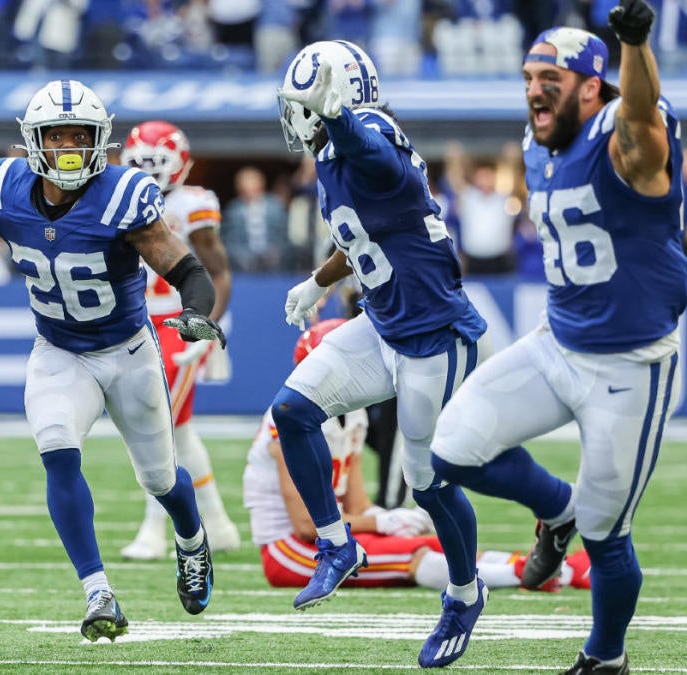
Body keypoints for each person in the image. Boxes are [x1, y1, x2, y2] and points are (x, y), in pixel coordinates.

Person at [0, 79, 225, 642]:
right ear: (34, 141)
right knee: (57, 450)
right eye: (57, 135)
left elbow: (187, 268)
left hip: (130, 351)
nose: (69, 145)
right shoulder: (2, 186)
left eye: (80, 135)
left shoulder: (122, 193)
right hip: (61, 351)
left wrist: (195, 311)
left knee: (161, 479)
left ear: (100, 140)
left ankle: (191, 538)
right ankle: (98, 593)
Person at [430, 4, 686, 673]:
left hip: (630, 362)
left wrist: (632, 43)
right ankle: (556, 508)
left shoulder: (624, 135)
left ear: (591, 87)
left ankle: (606, 657)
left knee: (609, 535)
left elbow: (644, 120)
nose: (534, 88)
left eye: (551, 77)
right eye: (528, 75)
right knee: (449, 451)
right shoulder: (538, 141)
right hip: (557, 341)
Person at [273, 40, 489, 668]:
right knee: (293, 411)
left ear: (334, 98)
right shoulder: (333, 153)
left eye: (304, 104)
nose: (294, 116)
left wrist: (338, 116)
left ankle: (463, 592)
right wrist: (318, 282)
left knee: (428, 484)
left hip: (434, 337)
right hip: (384, 323)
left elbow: (385, 169)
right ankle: (339, 545)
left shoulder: (367, 131)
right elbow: (365, 232)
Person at [247, 319, 592, 593]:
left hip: (331, 538)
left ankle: (556, 566)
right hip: (290, 549)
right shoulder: (288, 425)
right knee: (411, 555)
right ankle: (534, 577)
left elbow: (357, 503)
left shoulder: (353, 416)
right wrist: (382, 524)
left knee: (430, 540)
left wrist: (387, 517)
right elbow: (306, 525)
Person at [117, 120, 241, 560]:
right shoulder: (117, 199)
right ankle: (222, 527)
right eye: (140, 162)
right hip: (132, 322)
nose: (148, 171)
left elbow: (218, 272)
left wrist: (205, 327)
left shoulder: (192, 204)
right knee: (180, 433)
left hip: (174, 325)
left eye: (157, 162)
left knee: (160, 430)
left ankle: (154, 529)